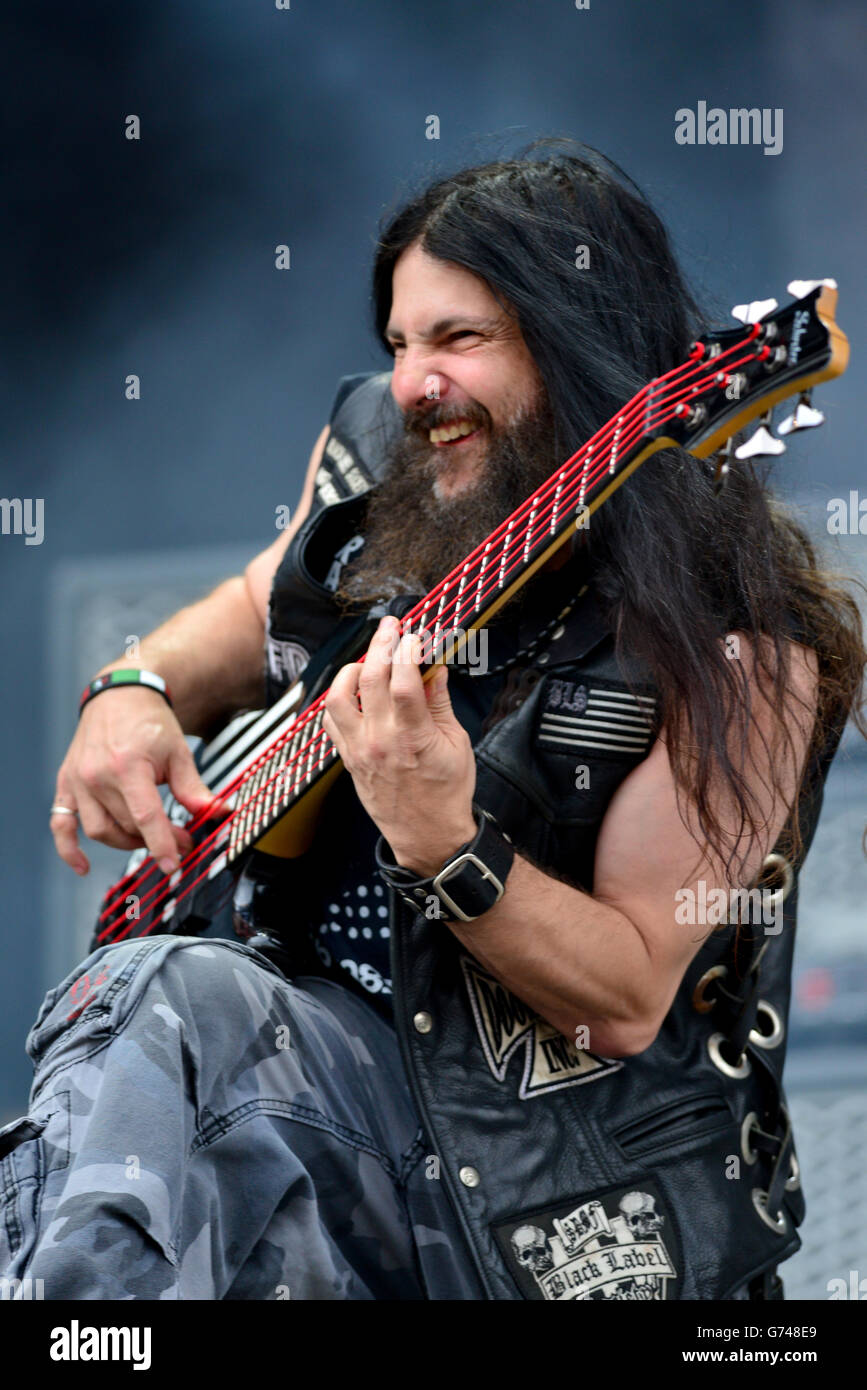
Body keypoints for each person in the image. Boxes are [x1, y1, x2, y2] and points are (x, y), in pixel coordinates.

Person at [4, 141, 864, 1301]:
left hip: (546, 1193)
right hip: (313, 1111)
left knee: (171, 998)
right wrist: (131, 692)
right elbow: (256, 611)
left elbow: (622, 994)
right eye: (402, 344)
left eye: (461, 340)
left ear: (577, 349)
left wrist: (444, 841)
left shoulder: (742, 642)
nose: (415, 384)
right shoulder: (381, 458)